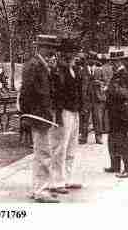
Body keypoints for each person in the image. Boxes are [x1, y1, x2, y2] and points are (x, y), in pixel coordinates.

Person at [19, 34, 61, 203]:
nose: (52, 52)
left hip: (42, 113)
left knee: (40, 153)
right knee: (43, 153)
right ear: (41, 47)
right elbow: (26, 92)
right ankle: (41, 191)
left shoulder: (42, 65)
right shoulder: (34, 65)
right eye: (49, 48)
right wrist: (26, 114)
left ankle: (38, 187)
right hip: (38, 114)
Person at [48, 37, 84, 195]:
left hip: (74, 111)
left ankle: (66, 178)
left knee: (71, 147)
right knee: (59, 147)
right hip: (63, 111)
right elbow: (55, 95)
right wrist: (57, 115)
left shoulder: (73, 69)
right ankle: (56, 181)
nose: (76, 55)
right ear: (65, 54)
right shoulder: (58, 70)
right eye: (73, 52)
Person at [104, 51, 128, 178]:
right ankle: (115, 165)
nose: (112, 64)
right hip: (115, 112)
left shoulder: (125, 75)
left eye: (114, 62)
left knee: (123, 140)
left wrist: (109, 89)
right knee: (112, 139)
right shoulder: (117, 74)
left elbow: (126, 93)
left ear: (119, 62)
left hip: (121, 113)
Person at [80, 54, 105, 145]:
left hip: (97, 98)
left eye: (93, 59)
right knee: (85, 118)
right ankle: (83, 136)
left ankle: (98, 137)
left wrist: (99, 83)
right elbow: (80, 84)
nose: (91, 61)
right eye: (89, 59)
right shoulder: (83, 70)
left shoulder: (99, 70)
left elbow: (104, 82)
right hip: (87, 98)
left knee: (97, 118)